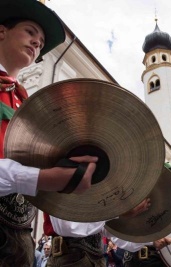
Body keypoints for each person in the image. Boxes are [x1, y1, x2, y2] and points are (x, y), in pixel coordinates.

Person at [0, 1, 98, 266]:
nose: (36, 43)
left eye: (41, 43)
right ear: (1, 31)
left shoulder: (24, 102)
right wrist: (41, 177)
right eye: (30, 31)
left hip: (19, 237)